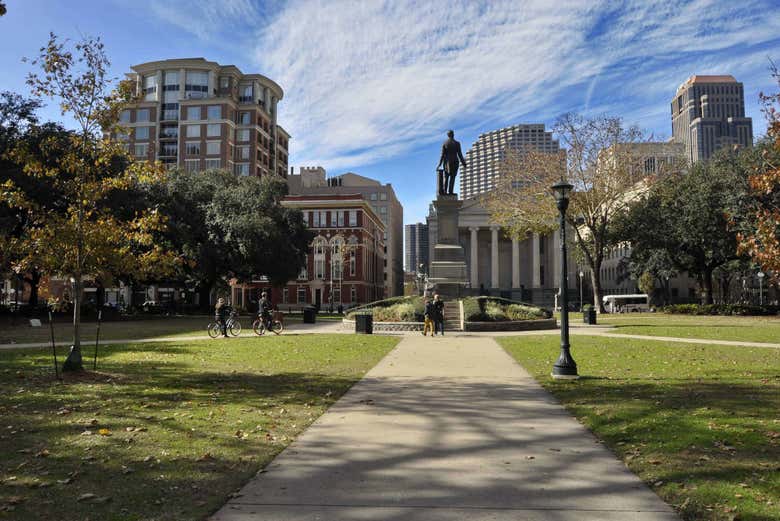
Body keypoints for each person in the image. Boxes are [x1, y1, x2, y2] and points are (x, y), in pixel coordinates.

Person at [436, 130, 467, 195]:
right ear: (453, 134)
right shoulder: (457, 143)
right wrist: (464, 163)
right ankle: (450, 191)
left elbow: (442, 155)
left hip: (447, 163)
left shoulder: (445, 143)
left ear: (448, 135)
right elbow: (460, 154)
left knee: (446, 177)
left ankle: (445, 191)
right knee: (452, 177)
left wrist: (439, 164)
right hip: (455, 162)